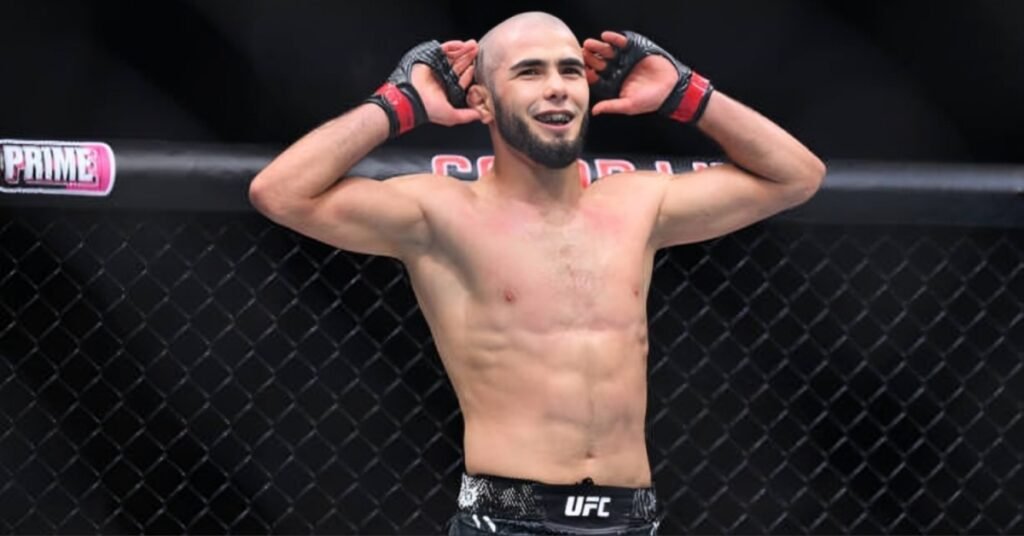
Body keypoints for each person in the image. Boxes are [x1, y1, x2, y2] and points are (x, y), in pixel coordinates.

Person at [249, 11, 825, 535]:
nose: (557, 86)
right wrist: (398, 104)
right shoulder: (443, 214)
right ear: (482, 101)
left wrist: (687, 93)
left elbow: (796, 176)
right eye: (530, 72)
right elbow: (280, 193)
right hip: (508, 516)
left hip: (632, 517)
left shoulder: (637, 206)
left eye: (570, 71)